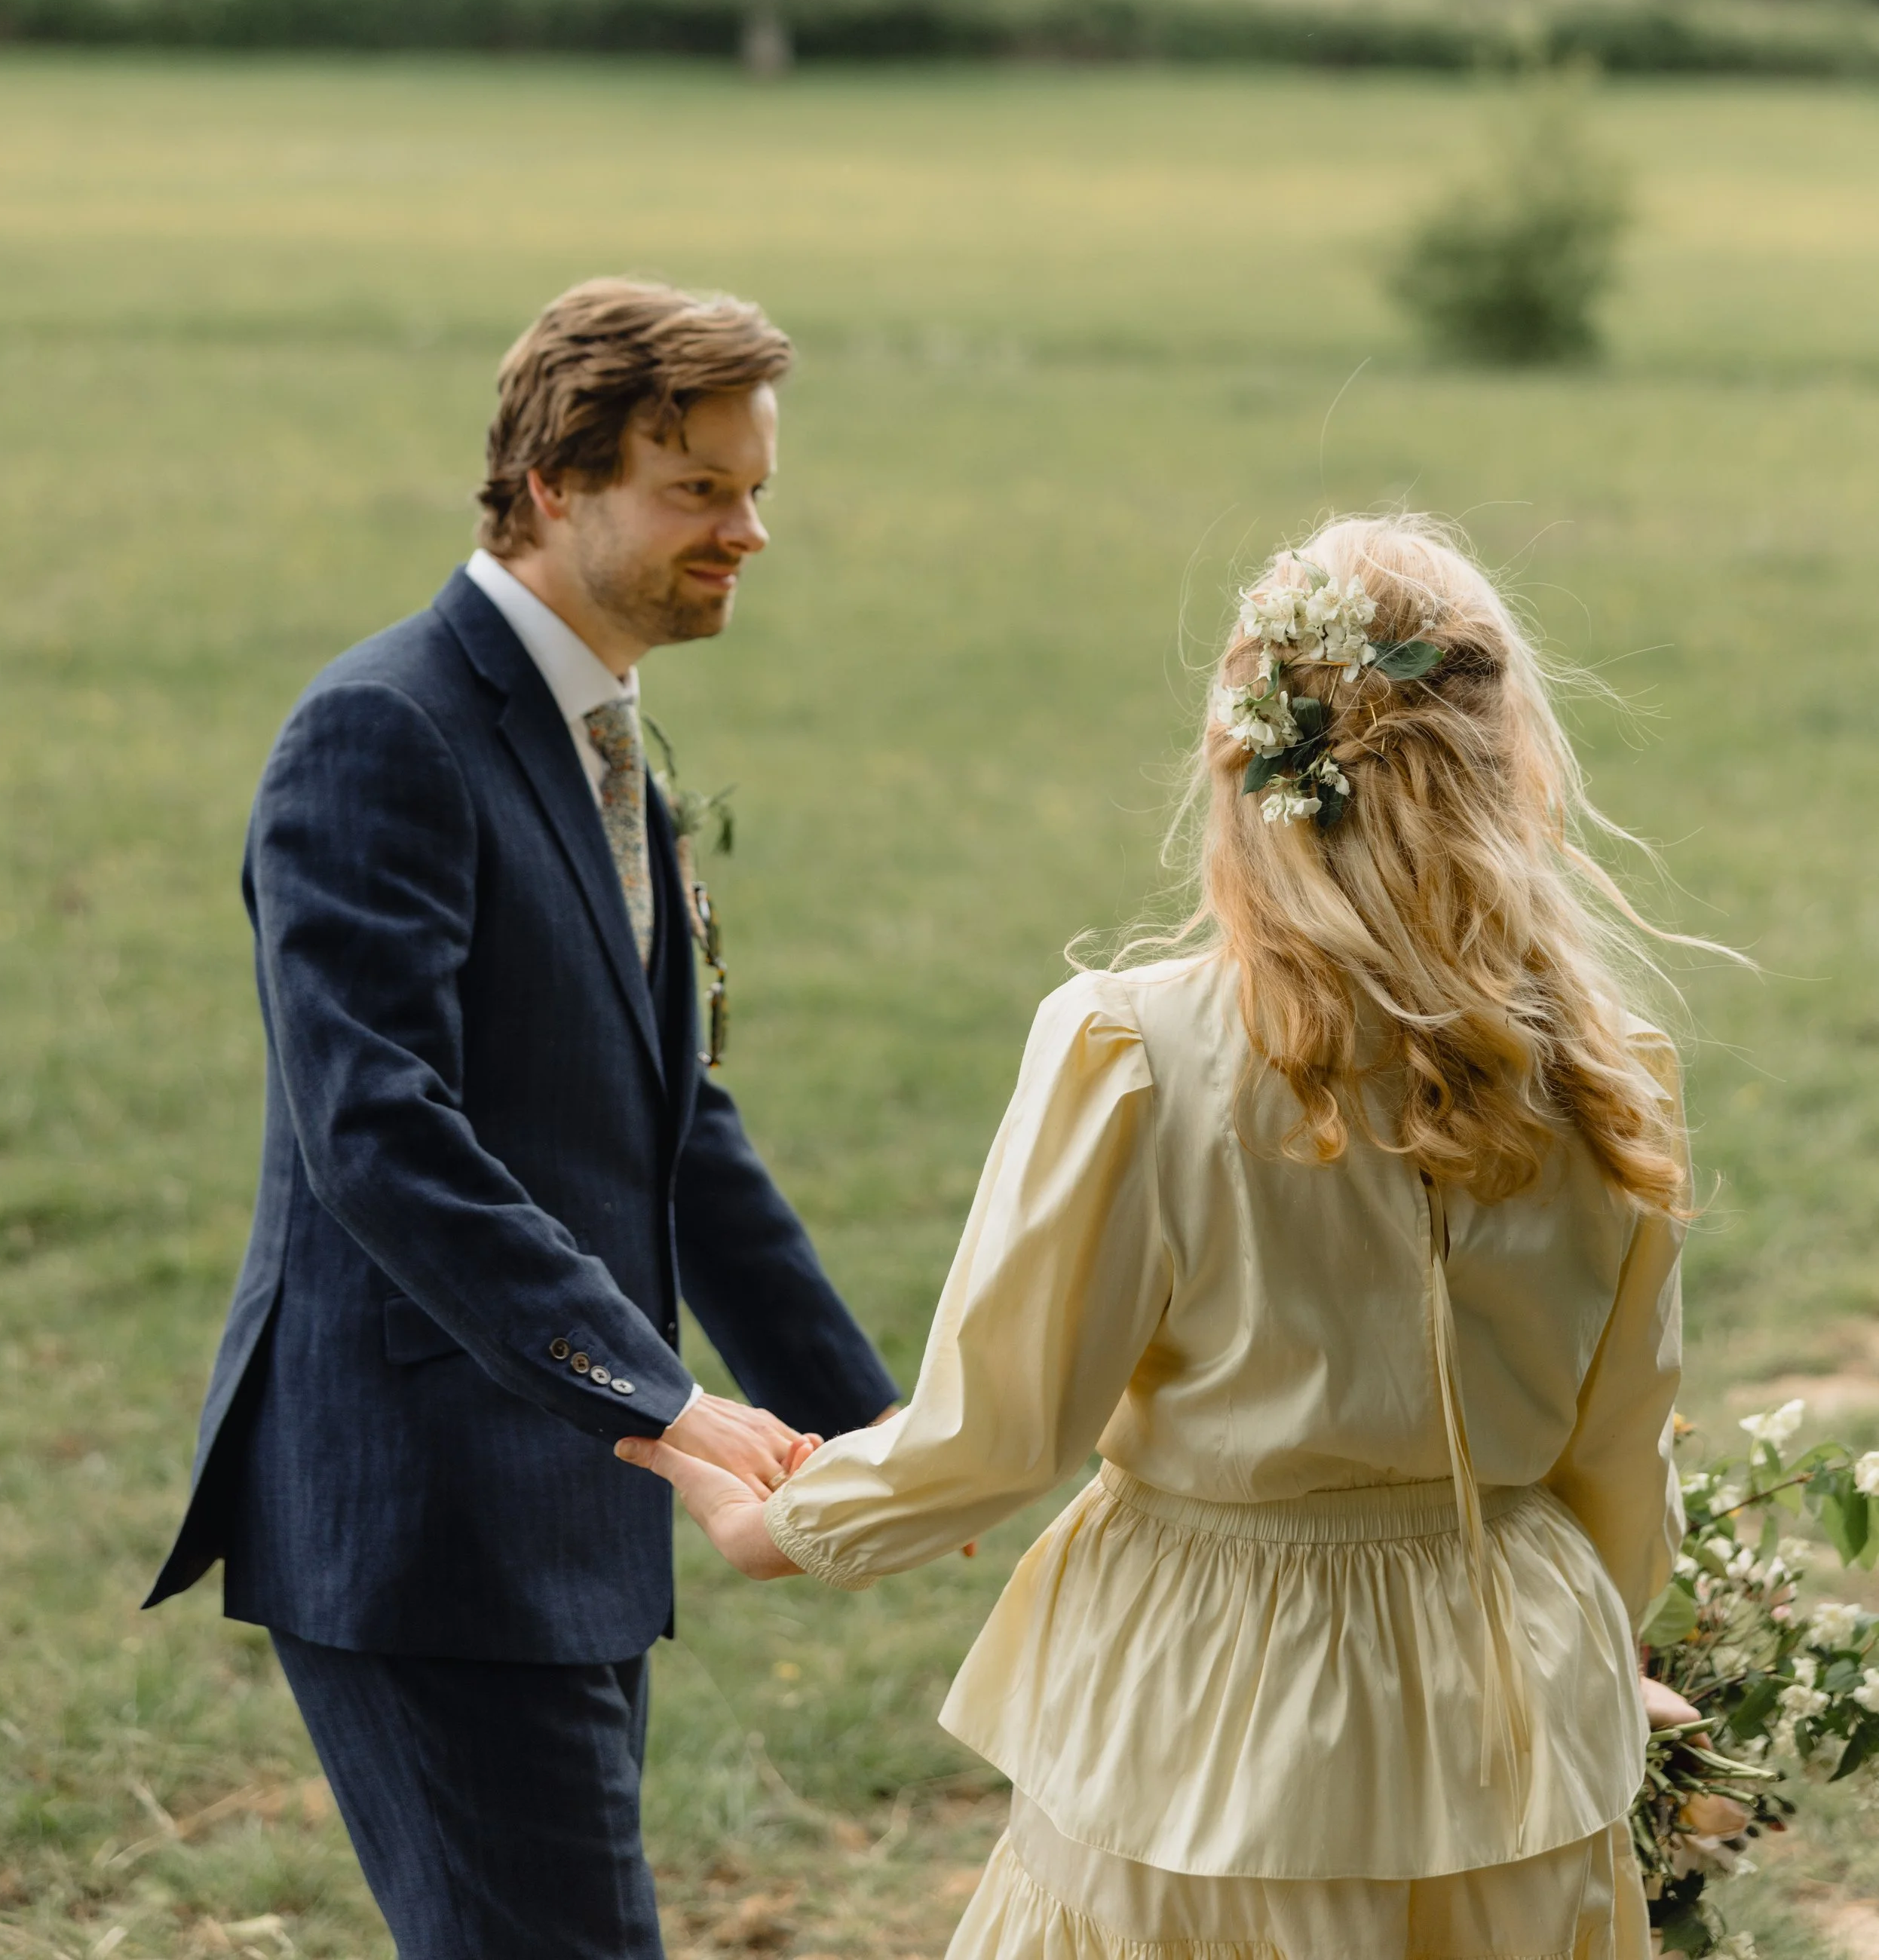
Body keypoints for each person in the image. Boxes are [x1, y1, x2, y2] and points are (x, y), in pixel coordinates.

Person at [627, 515, 1701, 1960]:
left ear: (1241, 759)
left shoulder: (1136, 1051)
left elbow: (1003, 1428)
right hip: (1511, 1684)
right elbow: (1621, 1436)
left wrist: (784, 1526)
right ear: (1512, 754)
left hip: (1222, 1687)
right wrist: (1594, 1645)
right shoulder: (1602, 1066)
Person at [145, 276, 898, 1960]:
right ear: (555, 481)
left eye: (754, 486)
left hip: (555, 1506)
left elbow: (667, 1123)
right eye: (700, 487)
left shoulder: (601, 727)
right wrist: (658, 1396)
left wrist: (883, 1425)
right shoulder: (383, 728)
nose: (748, 529)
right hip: (426, 1514)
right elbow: (379, 1134)